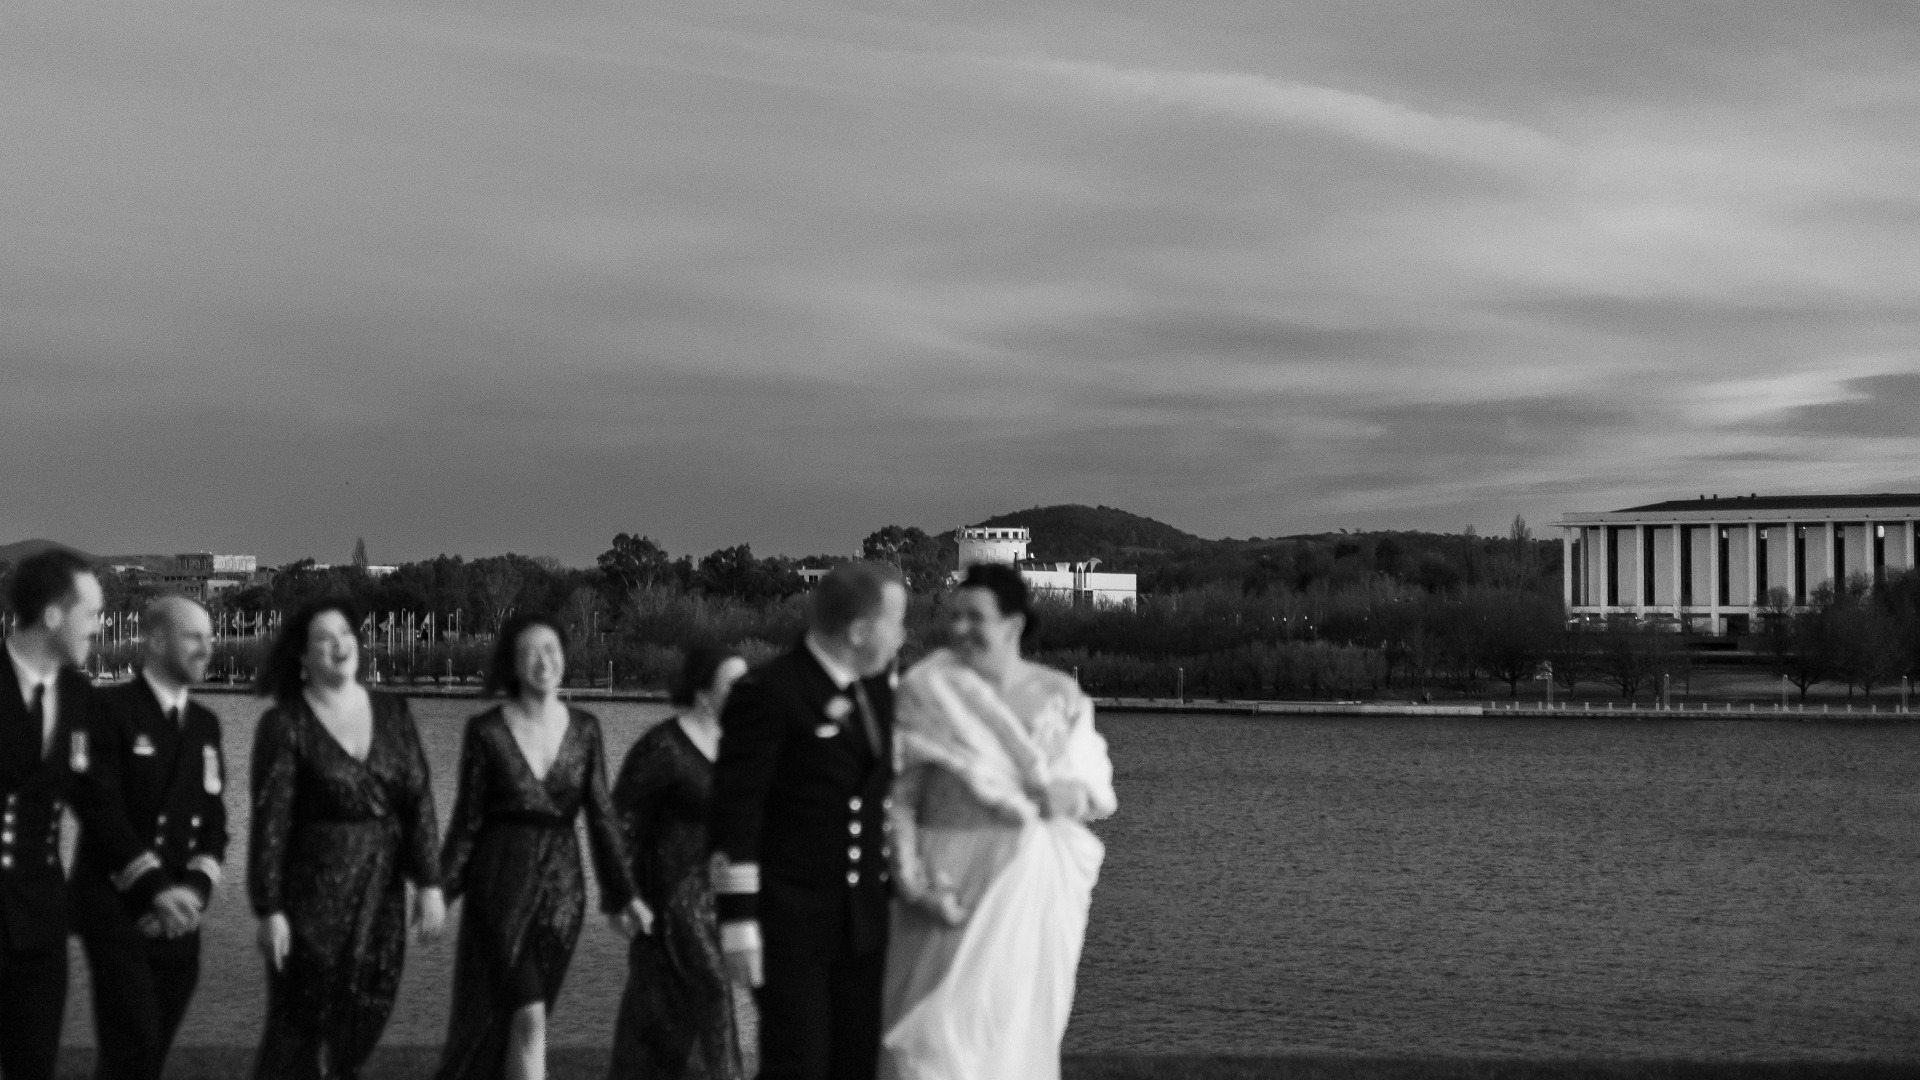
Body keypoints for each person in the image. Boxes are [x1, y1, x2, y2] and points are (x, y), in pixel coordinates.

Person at [878, 563, 1116, 1080]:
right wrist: (914, 885)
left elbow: (1092, 786)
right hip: (947, 877)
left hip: (1032, 881)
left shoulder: (1060, 693)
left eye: (975, 617)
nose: (959, 628)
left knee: (1012, 1037)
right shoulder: (926, 690)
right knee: (929, 1047)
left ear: (1013, 625)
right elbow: (899, 797)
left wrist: (1067, 797)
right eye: (954, 616)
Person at [710, 562, 909, 1080]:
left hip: (865, 922)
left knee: (858, 1064)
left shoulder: (878, 692)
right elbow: (736, 813)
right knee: (798, 1063)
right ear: (859, 630)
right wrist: (738, 923)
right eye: (896, 622)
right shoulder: (769, 691)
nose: (903, 636)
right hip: (789, 923)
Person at [435, 613, 648, 1080]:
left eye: (551, 649)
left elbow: (602, 818)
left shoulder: (586, 729)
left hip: (563, 896)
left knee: (520, 1020)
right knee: (527, 1013)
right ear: (512, 662)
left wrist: (625, 895)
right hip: (500, 888)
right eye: (530, 652)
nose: (543, 661)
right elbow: (467, 823)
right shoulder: (487, 731)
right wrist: (440, 892)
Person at [248, 598, 446, 1080]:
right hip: (309, 896)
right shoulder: (285, 724)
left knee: (367, 1011)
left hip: (381, 894)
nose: (339, 644)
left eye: (345, 633)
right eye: (324, 637)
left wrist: (429, 882)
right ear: (302, 656)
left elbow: (418, 798)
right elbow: (271, 821)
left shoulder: (393, 712)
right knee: (301, 1028)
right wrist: (269, 908)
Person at [72, 595, 230, 1080]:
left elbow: (214, 822)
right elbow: (101, 811)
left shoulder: (205, 725)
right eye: (194, 637)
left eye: (209, 637)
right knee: (133, 1046)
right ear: (157, 641)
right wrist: (155, 890)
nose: (207, 648)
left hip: (181, 916)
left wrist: (193, 893)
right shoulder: (108, 710)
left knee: (148, 1056)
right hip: (119, 908)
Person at [608, 647, 752, 1080]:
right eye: (735, 685)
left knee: (662, 1019)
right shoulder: (664, 747)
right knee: (713, 993)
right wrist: (622, 895)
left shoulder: (740, 749)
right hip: (670, 899)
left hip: (717, 900)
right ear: (704, 692)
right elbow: (619, 823)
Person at [0, 549, 107, 1080]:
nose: (99, 626)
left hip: (40, 923)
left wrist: (155, 881)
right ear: (52, 615)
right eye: (91, 613)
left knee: (34, 1066)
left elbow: (100, 804)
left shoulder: (78, 695)